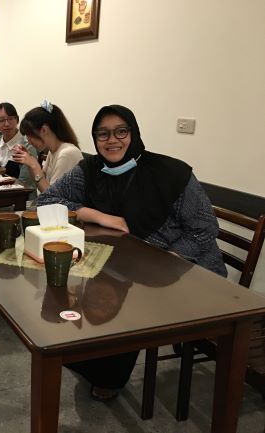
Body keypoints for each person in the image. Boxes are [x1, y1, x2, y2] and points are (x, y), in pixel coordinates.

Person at [37, 104, 226, 402]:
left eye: (121, 132)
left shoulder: (170, 172)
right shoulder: (91, 170)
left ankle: (108, 373)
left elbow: (205, 229)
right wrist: (97, 215)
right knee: (76, 302)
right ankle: (90, 361)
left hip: (188, 270)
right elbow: (46, 201)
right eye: (103, 134)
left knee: (126, 304)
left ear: (134, 134)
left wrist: (168, 260)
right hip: (127, 265)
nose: (112, 140)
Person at [13, 100, 83, 193]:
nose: (29, 142)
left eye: (30, 136)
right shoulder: (53, 151)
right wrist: (29, 163)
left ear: (44, 130)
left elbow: (52, 196)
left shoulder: (67, 153)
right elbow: (41, 185)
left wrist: (34, 165)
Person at [0, 102, 37, 190]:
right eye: (1, 120)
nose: (7, 124)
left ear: (17, 120)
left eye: (10, 118)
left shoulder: (27, 146)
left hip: (21, 195)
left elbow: (25, 183)